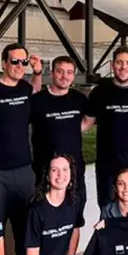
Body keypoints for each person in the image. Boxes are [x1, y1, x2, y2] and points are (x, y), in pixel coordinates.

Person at [0, 43, 43, 246]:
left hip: (24, 169)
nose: (19, 66)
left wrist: (38, 72)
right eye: (14, 61)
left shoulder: (25, 88)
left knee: (26, 226)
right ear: (4, 63)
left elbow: (36, 92)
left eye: (23, 62)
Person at [82, 46, 128, 208]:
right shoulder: (99, 92)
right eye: (119, 62)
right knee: (109, 218)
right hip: (108, 168)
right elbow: (86, 123)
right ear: (112, 65)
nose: (123, 67)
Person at [30, 57, 88, 205]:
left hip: (74, 170)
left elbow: (88, 122)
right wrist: (36, 74)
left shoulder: (80, 99)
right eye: (60, 71)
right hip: (45, 171)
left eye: (69, 72)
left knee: (76, 218)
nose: (64, 76)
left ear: (74, 75)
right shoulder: (38, 100)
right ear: (52, 73)